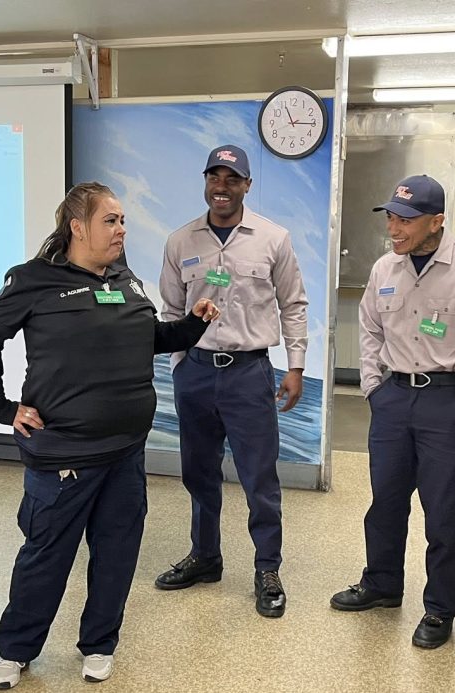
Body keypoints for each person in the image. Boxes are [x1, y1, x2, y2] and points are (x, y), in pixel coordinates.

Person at [0, 182, 219, 689]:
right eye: (111, 220)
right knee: (45, 556)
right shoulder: (34, 280)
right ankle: (17, 650)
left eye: (123, 220)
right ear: (77, 227)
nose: (122, 230)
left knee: (117, 551)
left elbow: (150, 339)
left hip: (125, 451)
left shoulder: (126, 281)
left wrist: (190, 326)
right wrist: (0, 408)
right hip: (63, 452)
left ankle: (99, 642)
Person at [329, 175, 455, 648]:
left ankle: (439, 610)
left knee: (444, 515)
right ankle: (382, 584)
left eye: (405, 220)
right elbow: (368, 328)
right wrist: (371, 386)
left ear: (437, 221)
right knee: (384, 502)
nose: (395, 228)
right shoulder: (386, 268)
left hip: (446, 403)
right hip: (392, 401)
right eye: (390, 217)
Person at [154, 144, 309, 618]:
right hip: (196, 374)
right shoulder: (181, 241)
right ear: (205, 182)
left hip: (249, 374)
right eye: (214, 178)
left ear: (247, 185)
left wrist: (297, 366)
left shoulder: (273, 239)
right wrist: (181, 364)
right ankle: (205, 557)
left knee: (259, 477)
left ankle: (267, 568)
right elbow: (171, 310)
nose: (221, 187)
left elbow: (294, 304)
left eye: (231, 179)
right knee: (198, 474)